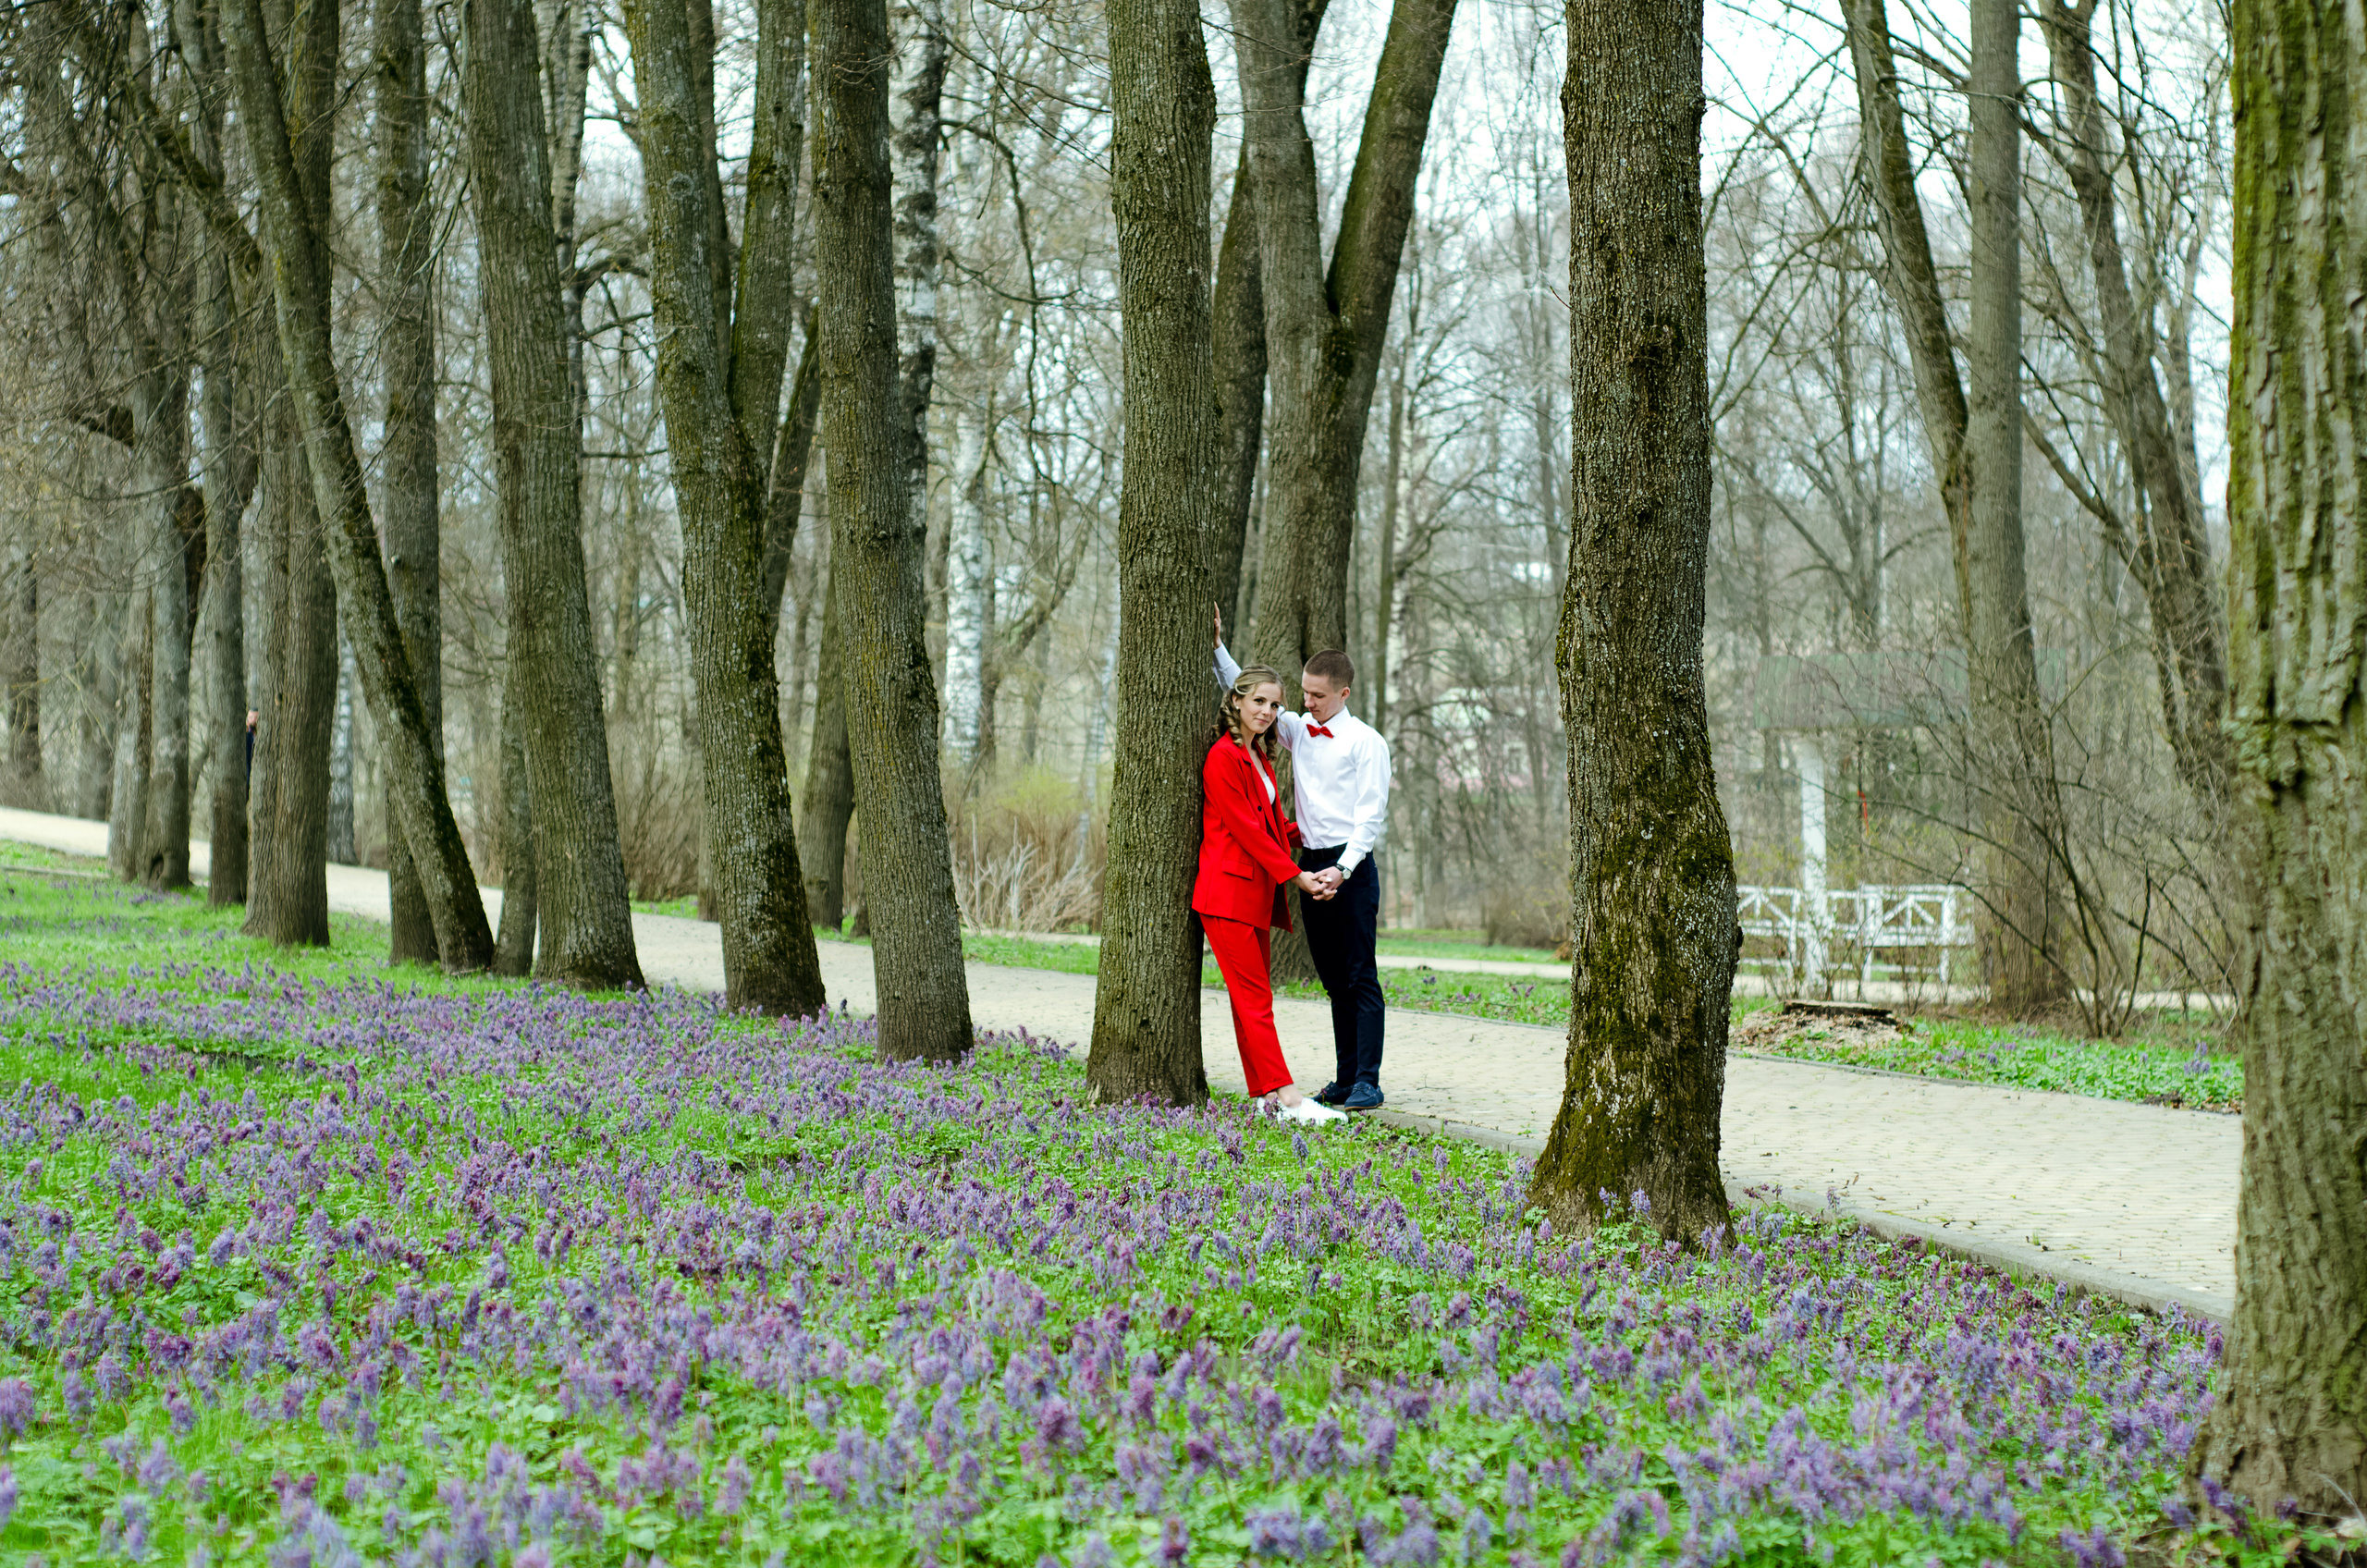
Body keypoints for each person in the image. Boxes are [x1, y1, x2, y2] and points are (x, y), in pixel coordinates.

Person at [1213, 608, 1392, 1110]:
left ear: (1343, 694)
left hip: (1350, 868)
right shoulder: (1297, 728)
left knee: (1361, 976)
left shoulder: (1367, 743)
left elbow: (1369, 819)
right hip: (1309, 863)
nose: (1305, 702)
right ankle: (1341, 1079)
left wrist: (1343, 868)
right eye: (1304, 693)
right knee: (1333, 978)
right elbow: (1246, 693)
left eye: (1316, 695)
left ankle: (1367, 1080)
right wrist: (1217, 648)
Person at [1194, 662, 1349, 1126]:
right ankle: (1290, 1100)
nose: (1267, 711)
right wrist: (1297, 876)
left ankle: (1264, 1097)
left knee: (1250, 1002)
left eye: (1275, 704)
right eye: (1258, 701)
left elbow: (1270, 827)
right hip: (1227, 895)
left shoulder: (1257, 754)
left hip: (1251, 895)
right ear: (1236, 700)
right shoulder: (1223, 757)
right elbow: (1246, 831)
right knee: (1256, 1000)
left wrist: (1315, 831)